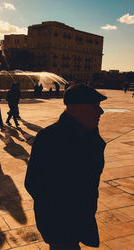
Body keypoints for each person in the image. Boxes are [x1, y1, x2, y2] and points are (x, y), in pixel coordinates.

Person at [25, 84, 107, 250]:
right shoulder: (49, 137)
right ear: (75, 109)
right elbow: (33, 183)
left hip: (78, 217)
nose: (101, 112)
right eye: (95, 106)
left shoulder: (87, 134)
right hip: (59, 222)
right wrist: (60, 212)